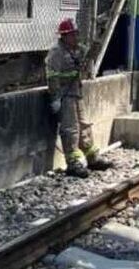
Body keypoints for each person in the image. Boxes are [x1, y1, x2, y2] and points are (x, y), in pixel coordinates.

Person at [45, 18, 113, 179]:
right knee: (70, 128)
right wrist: (55, 98)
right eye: (72, 34)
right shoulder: (56, 52)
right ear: (64, 36)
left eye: (76, 34)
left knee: (84, 125)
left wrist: (99, 37)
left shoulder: (76, 49)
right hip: (64, 95)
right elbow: (52, 77)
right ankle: (73, 163)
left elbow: (89, 56)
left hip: (76, 92)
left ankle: (92, 157)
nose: (76, 37)